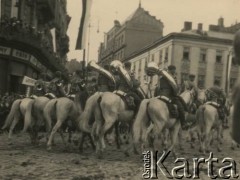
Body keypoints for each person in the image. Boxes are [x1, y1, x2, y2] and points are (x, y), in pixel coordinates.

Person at [156, 65, 188, 130]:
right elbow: (174, 89)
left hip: (159, 95)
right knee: (181, 107)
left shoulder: (162, 77)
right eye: (174, 70)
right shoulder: (171, 78)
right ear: (171, 70)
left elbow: (157, 88)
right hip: (169, 95)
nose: (174, 71)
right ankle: (183, 123)